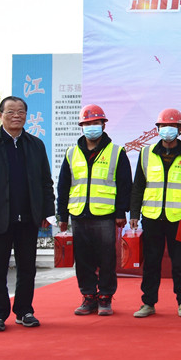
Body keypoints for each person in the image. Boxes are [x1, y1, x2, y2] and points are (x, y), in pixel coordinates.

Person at [0, 96, 55, 332]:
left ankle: (24, 311)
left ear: (26, 116)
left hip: (28, 218)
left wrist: (47, 213)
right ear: (0, 116)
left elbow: (45, 182)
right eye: (10, 112)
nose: (16, 116)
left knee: (27, 268)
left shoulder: (36, 145)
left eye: (21, 112)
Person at [57, 104, 132, 316]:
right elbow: (63, 186)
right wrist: (62, 215)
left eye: (96, 123)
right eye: (87, 123)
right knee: (82, 259)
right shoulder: (72, 153)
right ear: (81, 126)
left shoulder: (116, 152)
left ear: (104, 125)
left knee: (107, 259)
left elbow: (125, 185)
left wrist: (121, 212)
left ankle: (105, 297)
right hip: (78, 214)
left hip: (105, 215)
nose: (92, 127)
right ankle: (88, 296)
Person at [131, 108, 181, 318]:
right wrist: (134, 213)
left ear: (180, 130)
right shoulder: (146, 154)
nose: (167, 130)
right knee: (151, 262)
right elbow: (138, 186)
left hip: (179, 219)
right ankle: (148, 303)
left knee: (180, 262)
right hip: (151, 217)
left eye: (172, 126)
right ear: (157, 129)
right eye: (163, 126)